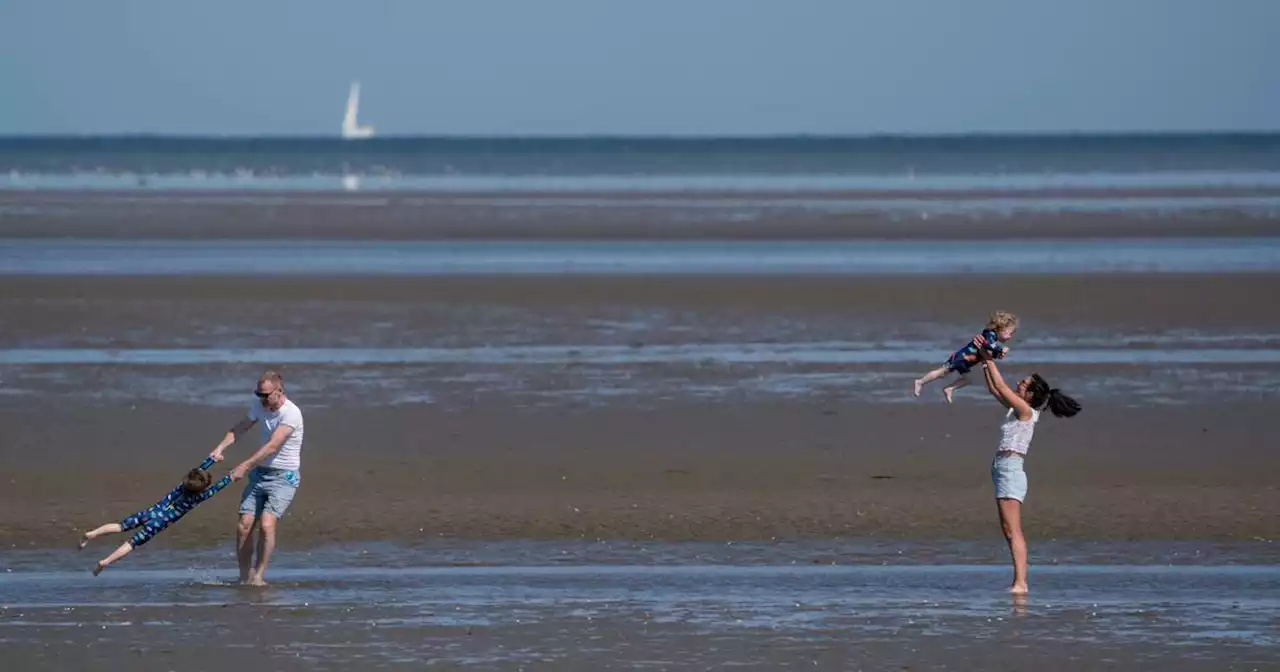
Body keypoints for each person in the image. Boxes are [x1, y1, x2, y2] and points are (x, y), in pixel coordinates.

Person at [974, 337, 1081, 594]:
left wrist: (988, 357)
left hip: (1010, 469)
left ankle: (1021, 582)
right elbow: (994, 389)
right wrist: (982, 361)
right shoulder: (1015, 409)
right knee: (1007, 530)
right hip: (1002, 469)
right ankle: (1018, 581)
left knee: (1014, 530)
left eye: (1023, 384)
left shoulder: (1025, 410)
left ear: (1030, 394)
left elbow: (1001, 385)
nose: (1018, 384)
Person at [210, 370, 304, 586]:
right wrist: (220, 448)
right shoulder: (259, 407)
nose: (261, 399)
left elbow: (272, 446)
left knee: (267, 525)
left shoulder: (291, 414)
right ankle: (244, 577)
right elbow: (241, 427)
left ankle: (259, 576)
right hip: (260, 474)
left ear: (279, 392)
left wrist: (244, 465)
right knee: (244, 525)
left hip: (284, 477)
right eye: (258, 394)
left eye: (266, 395)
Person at [80, 456, 233, 575]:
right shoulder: (197, 497)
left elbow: (198, 470)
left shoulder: (180, 488)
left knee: (120, 526)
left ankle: (92, 533)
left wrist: (212, 460)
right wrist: (229, 478)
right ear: (201, 489)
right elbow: (216, 488)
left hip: (149, 513)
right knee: (132, 543)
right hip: (157, 524)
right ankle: (105, 562)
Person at [914, 311, 1019, 403]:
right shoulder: (990, 335)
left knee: (968, 380)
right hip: (961, 357)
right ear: (1001, 329)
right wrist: (1000, 350)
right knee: (942, 372)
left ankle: (949, 388)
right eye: (1010, 333)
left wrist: (998, 355)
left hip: (966, 362)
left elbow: (988, 351)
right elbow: (987, 345)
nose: (1010, 337)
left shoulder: (993, 339)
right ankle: (920, 382)